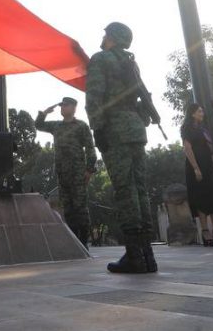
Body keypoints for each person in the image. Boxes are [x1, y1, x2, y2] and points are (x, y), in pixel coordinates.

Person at [86, 22, 160, 274]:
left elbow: (94, 97)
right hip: (136, 129)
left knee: (124, 191)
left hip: (115, 129)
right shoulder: (131, 63)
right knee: (140, 190)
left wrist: (97, 129)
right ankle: (147, 255)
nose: (103, 37)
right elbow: (141, 97)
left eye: (106, 34)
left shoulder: (100, 59)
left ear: (114, 38)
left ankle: (134, 256)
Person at [34, 96, 97, 248]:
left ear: (74, 107)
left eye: (66, 105)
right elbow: (39, 125)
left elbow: (90, 148)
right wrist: (44, 113)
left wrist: (89, 169)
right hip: (63, 173)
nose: (63, 108)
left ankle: (83, 242)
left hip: (78, 173)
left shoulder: (81, 126)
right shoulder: (56, 126)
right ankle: (74, 241)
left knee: (80, 207)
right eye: (61, 105)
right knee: (68, 208)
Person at [181, 103, 213, 246]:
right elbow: (187, 148)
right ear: (192, 113)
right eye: (200, 111)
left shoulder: (204, 129)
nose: (202, 113)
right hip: (196, 165)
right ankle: (205, 231)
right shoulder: (186, 128)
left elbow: (210, 150)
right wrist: (196, 168)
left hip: (208, 165)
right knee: (201, 198)